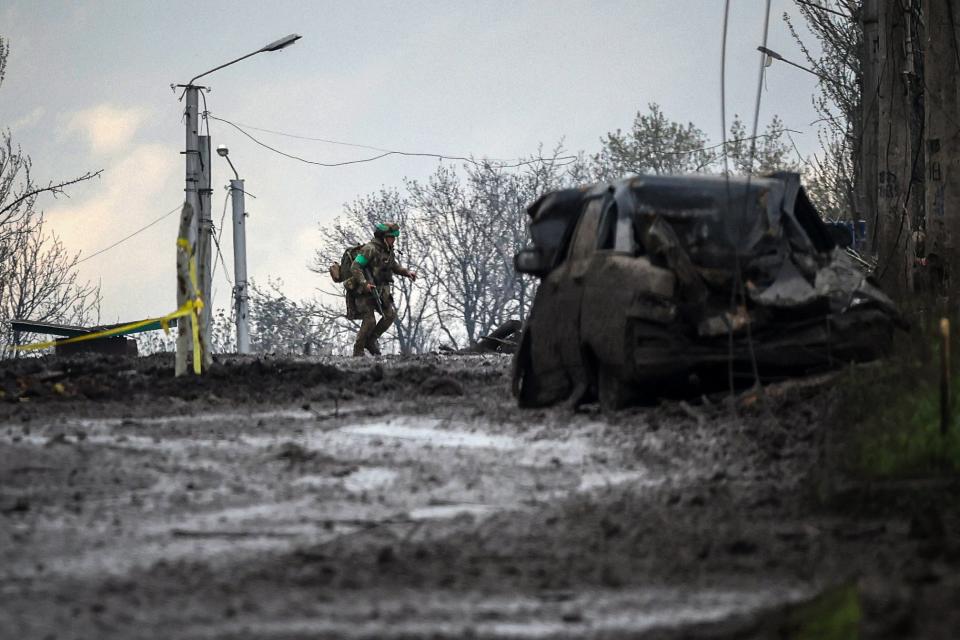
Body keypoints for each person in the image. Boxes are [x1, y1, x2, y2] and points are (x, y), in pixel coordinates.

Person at [349, 222, 417, 356]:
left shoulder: (388, 251)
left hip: (381, 290)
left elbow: (394, 266)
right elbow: (355, 267)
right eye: (391, 237)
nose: (394, 240)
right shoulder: (370, 249)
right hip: (365, 291)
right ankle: (358, 351)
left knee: (390, 315)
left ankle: (371, 341)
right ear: (383, 237)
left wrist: (407, 272)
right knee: (369, 321)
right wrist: (364, 283)